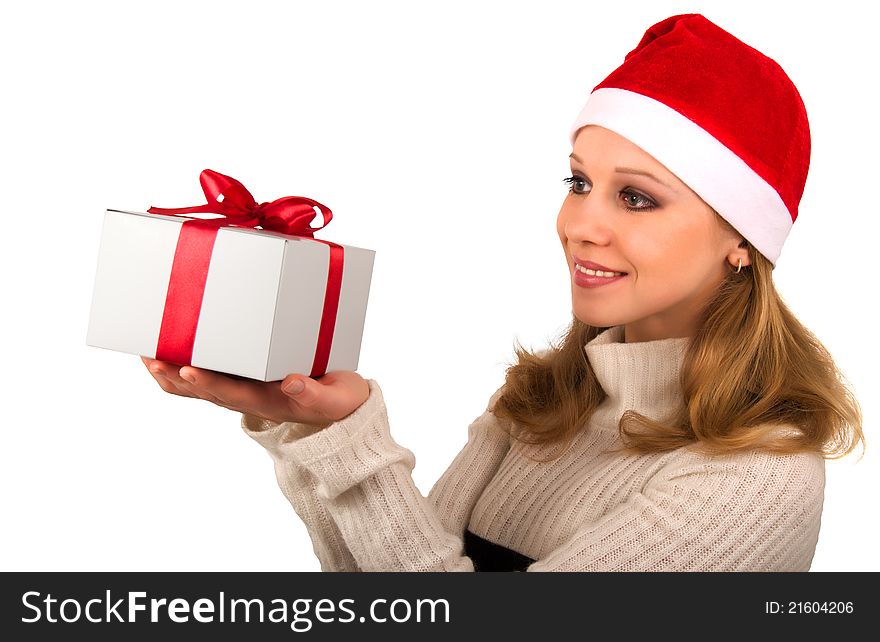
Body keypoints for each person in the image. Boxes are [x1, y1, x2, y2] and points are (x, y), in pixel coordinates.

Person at [142, 13, 864, 571]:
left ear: (743, 240)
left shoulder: (756, 477)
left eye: (637, 199)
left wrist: (358, 436)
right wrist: (310, 426)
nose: (582, 224)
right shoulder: (543, 404)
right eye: (579, 182)